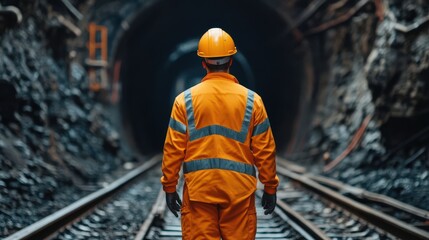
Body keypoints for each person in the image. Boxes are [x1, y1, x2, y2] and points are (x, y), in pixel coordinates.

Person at [160, 27, 279, 240]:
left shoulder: (184, 101)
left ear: (203, 63)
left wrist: (170, 186)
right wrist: (270, 186)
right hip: (239, 192)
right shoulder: (253, 101)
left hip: (199, 191)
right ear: (231, 61)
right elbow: (265, 150)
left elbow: (173, 149)